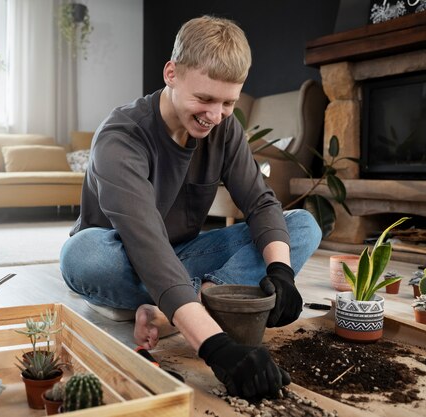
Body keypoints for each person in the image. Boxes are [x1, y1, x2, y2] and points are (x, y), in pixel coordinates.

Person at [60, 15, 321, 399]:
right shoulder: (121, 137)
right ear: (171, 73)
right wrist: (217, 347)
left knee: (301, 226)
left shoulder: (223, 129)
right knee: (84, 256)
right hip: (126, 255)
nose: (215, 116)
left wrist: (281, 273)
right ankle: (201, 303)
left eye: (228, 102)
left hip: (185, 256)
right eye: (205, 99)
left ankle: (182, 305)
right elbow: (146, 244)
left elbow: (261, 202)